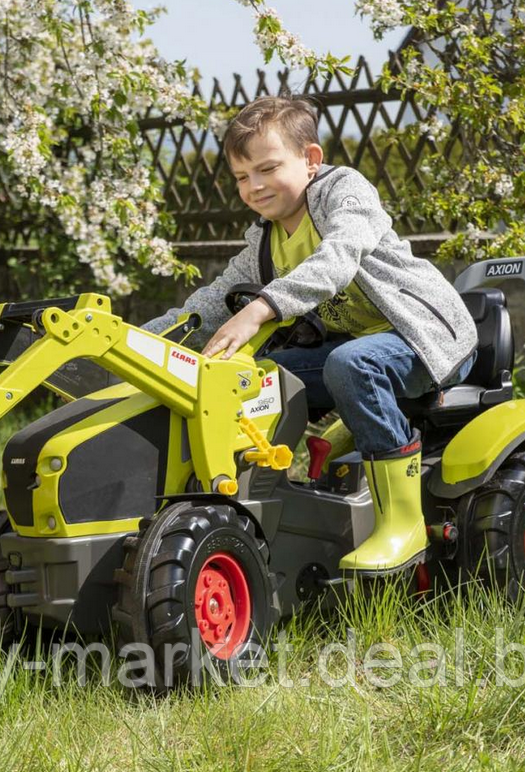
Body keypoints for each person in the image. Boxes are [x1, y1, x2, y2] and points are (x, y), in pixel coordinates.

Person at [143, 95, 479, 577]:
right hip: (358, 348)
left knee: (353, 364)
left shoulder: (346, 195)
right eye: (241, 177)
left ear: (311, 159)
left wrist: (262, 309)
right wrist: (145, 341)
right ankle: (263, 505)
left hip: (424, 338)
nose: (254, 186)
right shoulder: (265, 239)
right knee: (256, 377)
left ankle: (402, 524)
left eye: (267, 168)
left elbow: (337, 259)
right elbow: (213, 302)